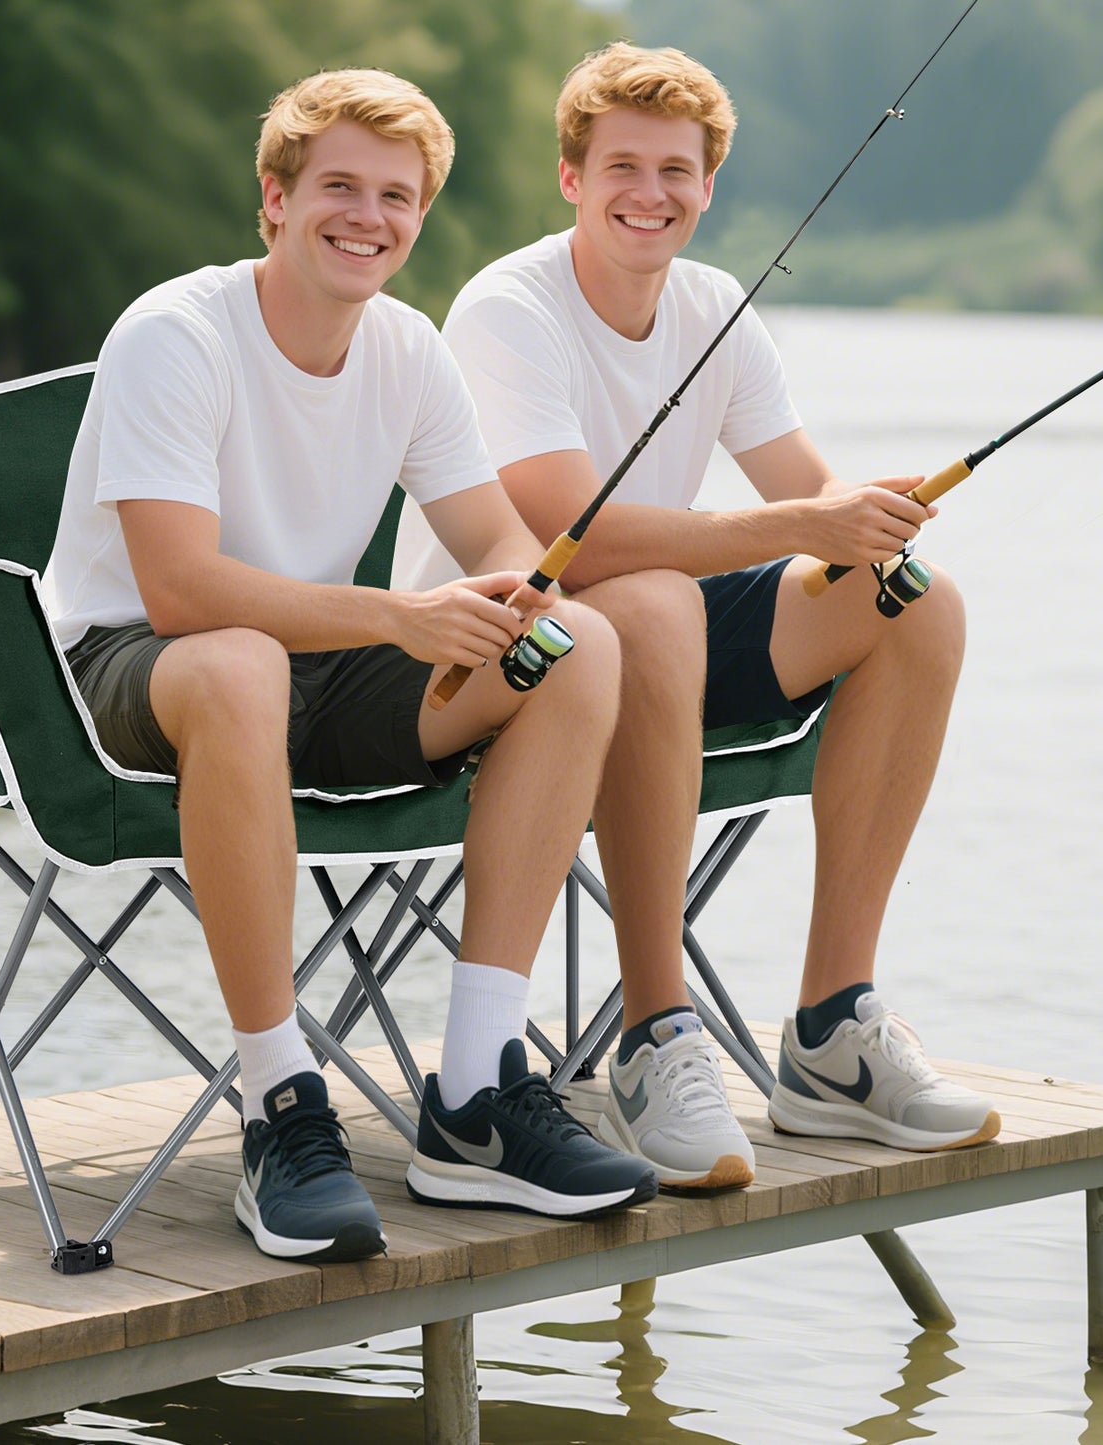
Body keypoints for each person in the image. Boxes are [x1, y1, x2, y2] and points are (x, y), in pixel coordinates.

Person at [43, 68, 677, 1265]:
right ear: (274, 201)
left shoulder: (407, 347)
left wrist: (509, 596)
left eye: (396, 196)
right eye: (338, 186)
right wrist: (397, 614)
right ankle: (281, 1101)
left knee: (578, 640)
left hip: (321, 666)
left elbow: (499, 539)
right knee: (235, 663)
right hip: (137, 668)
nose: (367, 216)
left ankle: (479, 1088)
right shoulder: (175, 331)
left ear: (419, 218)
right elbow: (178, 588)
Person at [393, 42, 1001, 1157]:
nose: (649, 193)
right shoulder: (506, 309)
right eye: (621, 165)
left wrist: (862, 517)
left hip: (659, 630)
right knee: (662, 601)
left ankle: (828, 1029)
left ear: (707, 188)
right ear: (571, 177)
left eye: (675, 171)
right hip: (502, 656)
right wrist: (800, 527)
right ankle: (653, 1033)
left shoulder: (716, 304)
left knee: (919, 598)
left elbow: (800, 487)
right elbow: (569, 543)